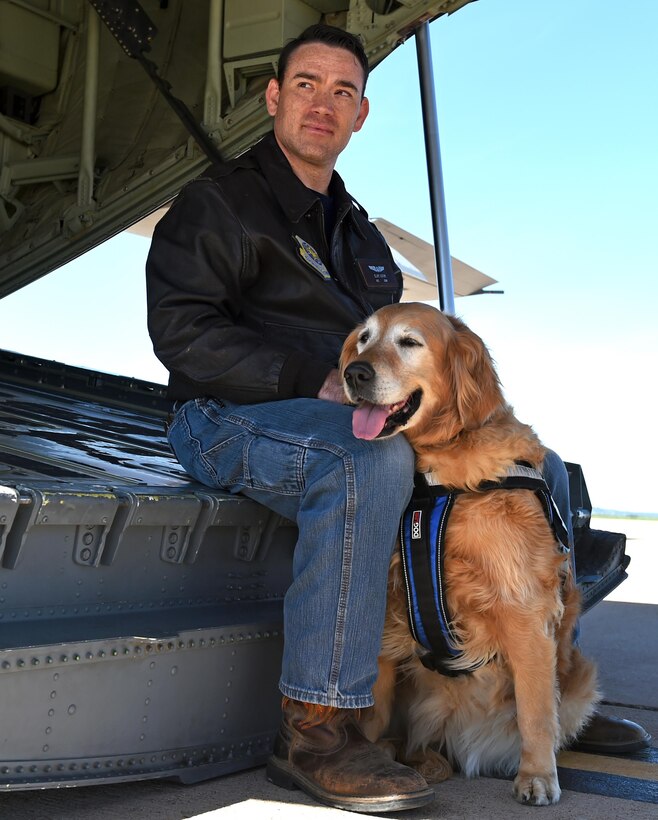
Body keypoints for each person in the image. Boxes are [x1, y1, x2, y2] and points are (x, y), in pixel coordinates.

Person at [146, 23, 649, 813]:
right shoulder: (217, 208)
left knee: (537, 469)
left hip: (348, 412)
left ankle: (540, 697)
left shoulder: (359, 232)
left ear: (360, 116)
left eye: (342, 92)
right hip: (227, 416)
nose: (323, 104)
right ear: (274, 98)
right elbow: (180, 332)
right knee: (368, 463)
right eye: (307, 85)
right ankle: (320, 733)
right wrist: (309, 380)